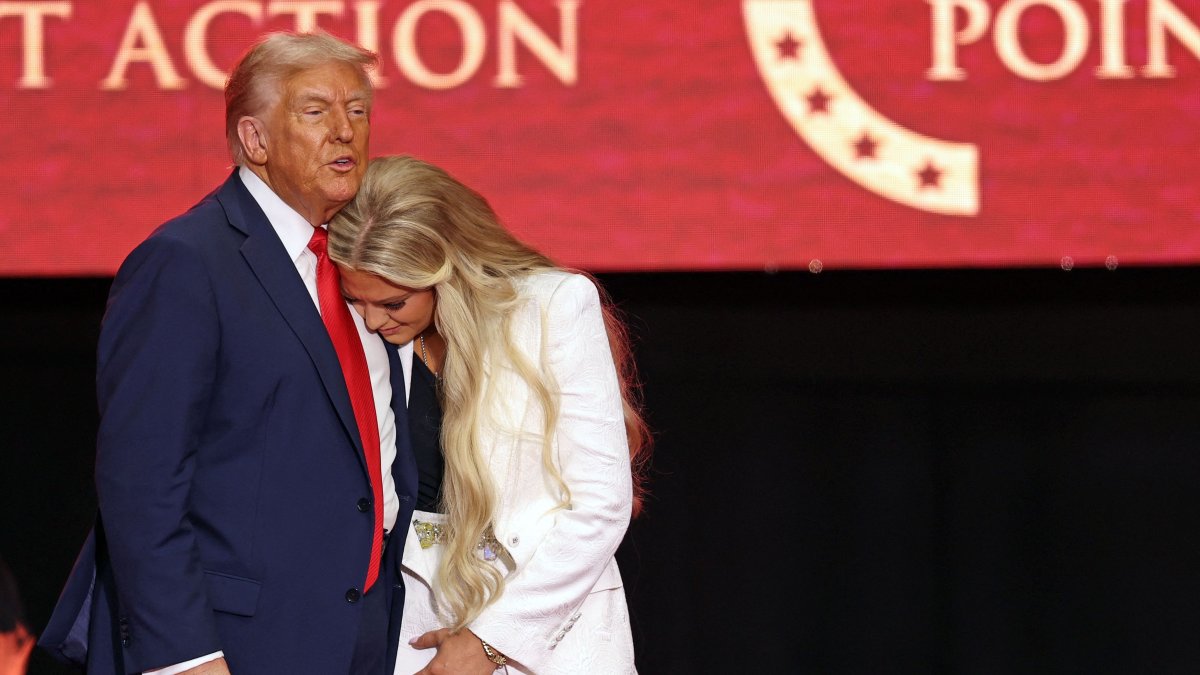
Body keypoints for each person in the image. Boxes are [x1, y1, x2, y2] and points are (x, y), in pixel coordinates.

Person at [38, 32, 418, 675]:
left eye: (358, 111)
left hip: (360, 635)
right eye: (316, 110)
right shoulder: (186, 262)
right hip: (233, 646)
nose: (345, 131)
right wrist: (184, 656)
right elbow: (142, 483)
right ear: (255, 140)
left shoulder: (359, 267)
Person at [327, 155, 650, 674]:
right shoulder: (362, 337)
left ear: (445, 270)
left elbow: (599, 505)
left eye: (393, 302)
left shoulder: (554, 306)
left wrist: (492, 639)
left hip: (550, 638)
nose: (371, 319)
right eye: (356, 301)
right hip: (413, 639)